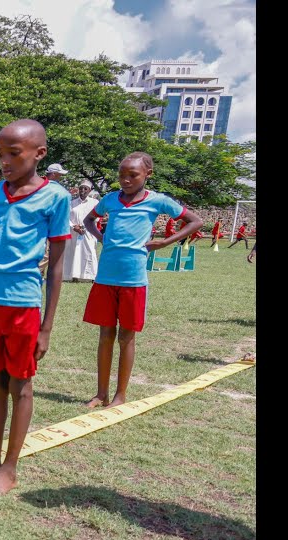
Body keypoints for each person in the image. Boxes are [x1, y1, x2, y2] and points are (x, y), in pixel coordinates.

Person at [0, 120, 71, 495]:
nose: (5, 162)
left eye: (14, 154)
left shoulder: (55, 197)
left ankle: (11, 468)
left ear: (39, 153)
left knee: (20, 385)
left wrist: (46, 326)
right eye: (0, 155)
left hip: (24, 304)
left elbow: (56, 266)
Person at [81, 152, 203, 409]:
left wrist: (166, 241)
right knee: (105, 334)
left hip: (133, 279)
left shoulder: (158, 201)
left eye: (133, 175)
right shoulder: (110, 199)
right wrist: (101, 236)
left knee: (126, 337)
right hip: (105, 277)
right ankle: (101, 393)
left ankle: (120, 395)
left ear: (148, 174)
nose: (125, 180)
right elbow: (88, 220)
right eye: (122, 175)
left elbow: (195, 221)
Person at [64, 179, 99, 282]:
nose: (83, 190)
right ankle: (74, 276)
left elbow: (97, 217)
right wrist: (74, 226)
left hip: (89, 232)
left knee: (89, 252)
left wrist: (85, 227)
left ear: (89, 190)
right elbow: (67, 217)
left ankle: (91, 276)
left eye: (85, 188)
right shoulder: (72, 203)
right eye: (81, 188)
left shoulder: (94, 202)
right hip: (74, 231)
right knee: (74, 252)